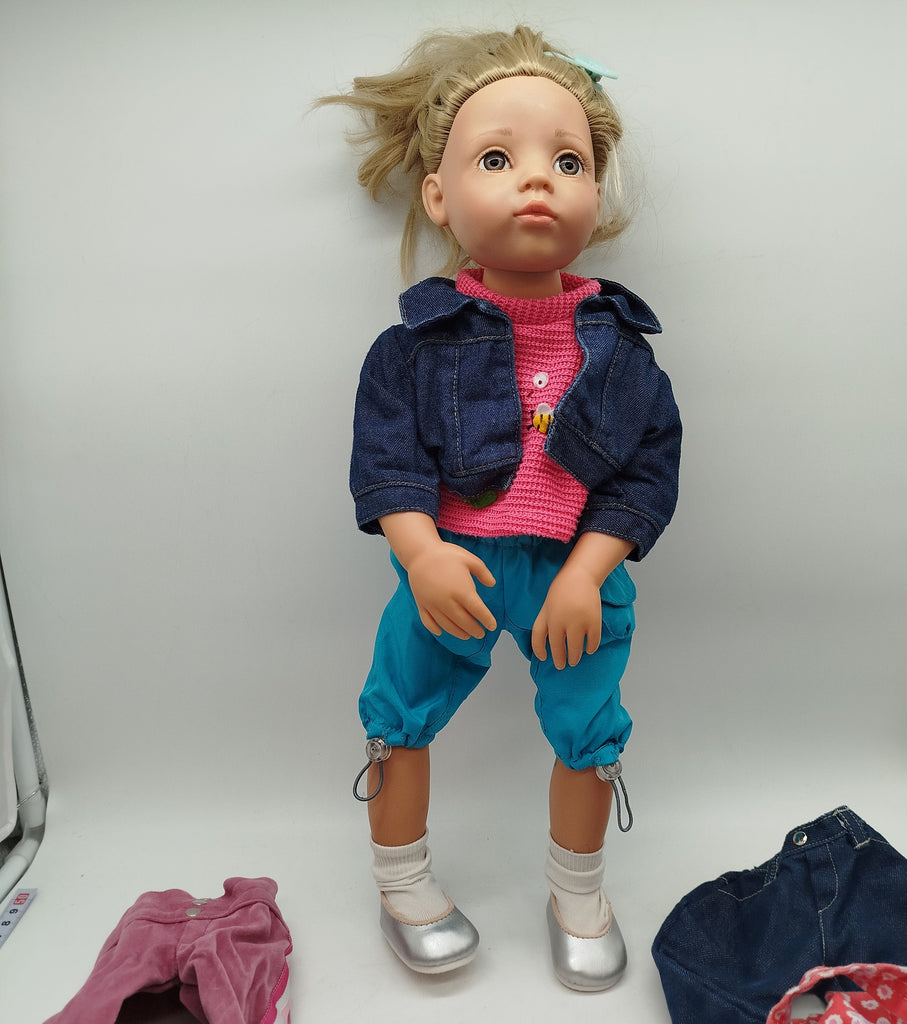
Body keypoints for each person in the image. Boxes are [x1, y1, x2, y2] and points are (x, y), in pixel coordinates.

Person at [318, 25, 681, 991]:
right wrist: (422, 554)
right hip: (454, 569)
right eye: (495, 159)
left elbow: (647, 474)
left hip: (574, 576)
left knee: (590, 728)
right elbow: (386, 462)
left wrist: (590, 572)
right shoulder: (411, 347)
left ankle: (578, 891)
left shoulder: (624, 352)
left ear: (595, 193)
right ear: (438, 195)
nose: (536, 181)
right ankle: (402, 885)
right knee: (399, 717)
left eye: (568, 161)